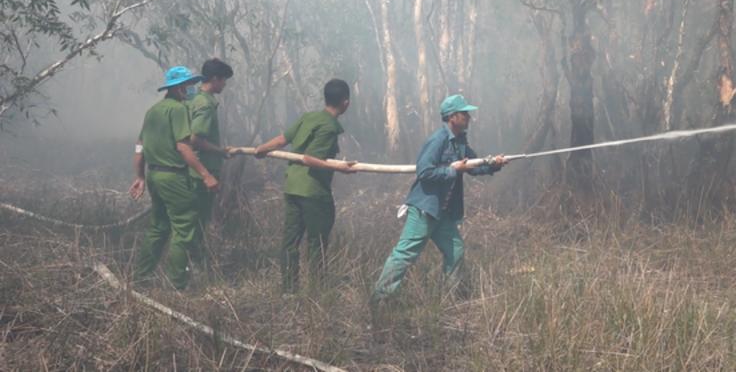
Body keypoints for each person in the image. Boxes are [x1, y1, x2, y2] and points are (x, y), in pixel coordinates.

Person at [371, 94, 506, 304]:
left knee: (456, 250)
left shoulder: (461, 141)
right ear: (452, 117)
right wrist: (453, 171)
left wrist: (494, 165)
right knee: (405, 255)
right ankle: (379, 300)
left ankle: (451, 299)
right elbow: (424, 171)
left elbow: (473, 167)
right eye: (464, 114)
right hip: (425, 209)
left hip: (443, 212)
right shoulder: (438, 140)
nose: (469, 117)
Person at [254, 79, 356, 293]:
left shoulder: (309, 117)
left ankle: (289, 291)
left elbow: (283, 139)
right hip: (313, 192)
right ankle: (317, 292)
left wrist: (262, 148)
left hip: (293, 187)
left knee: (290, 241)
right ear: (345, 103)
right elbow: (310, 158)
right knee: (317, 243)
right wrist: (341, 168)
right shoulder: (329, 127)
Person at [128, 66, 219, 290]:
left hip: (154, 176)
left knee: (158, 228)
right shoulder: (178, 110)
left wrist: (140, 176)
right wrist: (206, 175)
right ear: (177, 88)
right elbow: (184, 148)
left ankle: (140, 278)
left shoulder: (153, 110)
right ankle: (175, 286)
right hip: (174, 177)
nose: (190, 89)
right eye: (187, 85)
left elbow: (139, 146)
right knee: (184, 230)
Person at [189, 58, 233, 234]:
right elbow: (195, 140)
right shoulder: (206, 104)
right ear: (215, 79)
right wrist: (220, 151)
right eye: (223, 80)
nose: (224, 84)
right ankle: (193, 259)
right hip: (202, 172)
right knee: (198, 222)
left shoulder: (193, 98)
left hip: (193, 170)